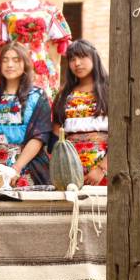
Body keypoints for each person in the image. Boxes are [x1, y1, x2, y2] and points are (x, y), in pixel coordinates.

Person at [0, 42, 52, 187]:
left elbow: (39, 136)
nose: (9, 65)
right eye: (5, 60)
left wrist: (16, 168)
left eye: (16, 60)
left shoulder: (37, 96)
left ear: (25, 64)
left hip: (27, 168)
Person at [52, 39, 109, 185]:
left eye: (82, 57)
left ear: (94, 58)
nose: (77, 63)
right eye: (72, 59)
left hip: (105, 172)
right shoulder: (64, 94)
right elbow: (56, 134)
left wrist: (102, 168)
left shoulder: (110, 90)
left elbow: (122, 134)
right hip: (70, 173)